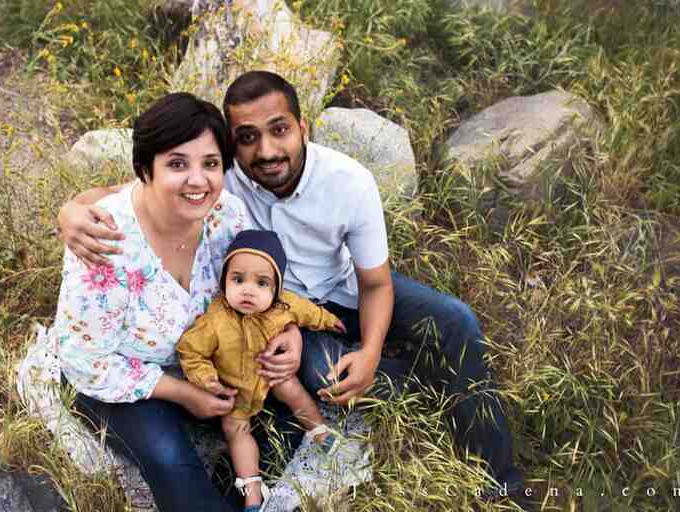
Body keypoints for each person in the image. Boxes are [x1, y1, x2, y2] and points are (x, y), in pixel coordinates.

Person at [58, 71, 525, 499]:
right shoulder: (220, 185)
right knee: (319, 377)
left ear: (304, 127)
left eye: (279, 129)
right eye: (247, 138)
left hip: (338, 293)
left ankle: (501, 484)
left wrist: (370, 350)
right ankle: (421, 386)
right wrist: (70, 212)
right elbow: (126, 191)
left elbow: (376, 284)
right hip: (264, 315)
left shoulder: (339, 183)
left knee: (455, 321)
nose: (265, 151)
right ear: (235, 147)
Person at [50, 91, 307, 512]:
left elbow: (260, 283)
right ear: (144, 169)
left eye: (210, 164)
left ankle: (235, 491)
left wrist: (289, 329)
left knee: (292, 409)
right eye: (176, 164)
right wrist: (184, 394)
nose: (198, 180)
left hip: (206, 357)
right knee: (169, 457)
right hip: (121, 376)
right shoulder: (106, 239)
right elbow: (85, 359)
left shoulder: (227, 215)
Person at [177, 229, 347, 512]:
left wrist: (328, 321)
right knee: (235, 429)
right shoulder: (215, 320)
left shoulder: (283, 307)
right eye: (238, 279)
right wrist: (208, 380)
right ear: (224, 281)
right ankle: (253, 492)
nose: (247, 290)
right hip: (236, 389)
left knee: (294, 392)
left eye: (261, 283)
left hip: (271, 376)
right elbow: (190, 351)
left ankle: (318, 429)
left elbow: (308, 311)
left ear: (276, 289)